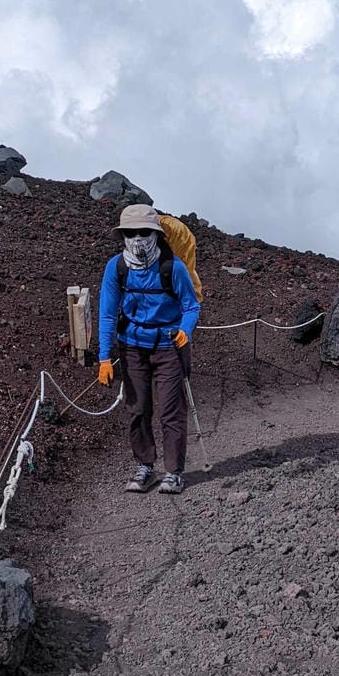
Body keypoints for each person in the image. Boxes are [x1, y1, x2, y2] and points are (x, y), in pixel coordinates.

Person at [96, 204, 201, 493]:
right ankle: (145, 466)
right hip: (132, 348)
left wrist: (185, 331)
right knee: (138, 409)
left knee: (170, 411)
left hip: (169, 347)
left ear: (156, 235)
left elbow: (191, 306)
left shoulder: (173, 267)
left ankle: (174, 471)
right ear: (123, 236)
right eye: (131, 233)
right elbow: (106, 313)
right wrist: (104, 357)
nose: (138, 238)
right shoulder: (115, 267)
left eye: (144, 232)